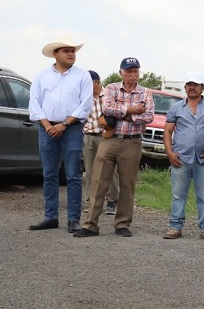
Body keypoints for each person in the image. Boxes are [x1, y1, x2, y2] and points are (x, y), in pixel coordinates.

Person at [74, 57, 155, 238]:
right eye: (129, 71)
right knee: (98, 182)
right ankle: (91, 224)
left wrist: (123, 113)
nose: (133, 75)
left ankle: (122, 224)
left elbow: (148, 116)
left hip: (132, 141)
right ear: (121, 72)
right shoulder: (111, 88)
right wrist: (133, 110)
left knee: (127, 184)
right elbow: (108, 109)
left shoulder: (146, 92)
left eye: (136, 71)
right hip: (109, 140)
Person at [27, 38, 93, 233]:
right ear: (55, 54)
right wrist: (48, 125)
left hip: (71, 129)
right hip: (47, 129)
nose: (71, 54)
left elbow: (86, 104)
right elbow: (34, 103)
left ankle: (73, 219)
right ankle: (51, 217)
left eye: (73, 51)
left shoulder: (83, 76)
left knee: (73, 175)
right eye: (66, 51)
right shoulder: (41, 76)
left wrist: (64, 124)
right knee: (49, 174)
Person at [162, 72, 204, 241]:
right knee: (178, 195)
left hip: (203, 158)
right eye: (189, 84)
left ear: (202, 88)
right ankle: (175, 227)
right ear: (185, 87)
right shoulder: (176, 108)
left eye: (196, 84)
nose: (192, 87)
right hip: (180, 157)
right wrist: (169, 152)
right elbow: (167, 131)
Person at [82, 70, 120, 216]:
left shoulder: (109, 96)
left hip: (107, 136)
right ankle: (92, 202)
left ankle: (112, 202)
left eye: (87, 83)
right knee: (90, 171)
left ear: (96, 82)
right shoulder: (85, 98)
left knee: (110, 169)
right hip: (89, 136)